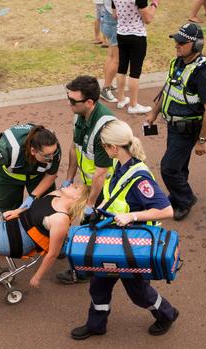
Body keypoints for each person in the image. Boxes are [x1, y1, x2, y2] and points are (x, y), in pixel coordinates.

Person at [70, 119, 179, 340]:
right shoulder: (120, 166)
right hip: (114, 241)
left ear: (114, 147)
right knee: (99, 284)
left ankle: (167, 313)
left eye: (104, 145)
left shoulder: (140, 178)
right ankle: (96, 324)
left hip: (132, 246)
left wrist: (132, 216)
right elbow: (117, 197)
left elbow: (166, 210)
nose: (103, 149)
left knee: (138, 293)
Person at [146, 23, 206, 221]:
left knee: (168, 167)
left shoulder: (203, 73)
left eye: (181, 42)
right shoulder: (177, 62)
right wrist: (154, 112)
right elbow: (168, 89)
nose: (176, 45)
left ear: (196, 45)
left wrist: (203, 140)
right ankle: (177, 196)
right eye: (176, 41)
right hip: (173, 124)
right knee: (179, 165)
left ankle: (185, 199)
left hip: (188, 128)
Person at [56, 75, 117, 285]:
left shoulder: (104, 128)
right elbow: (74, 148)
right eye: (68, 98)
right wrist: (69, 178)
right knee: (85, 224)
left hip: (106, 187)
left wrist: (90, 203)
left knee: (89, 228)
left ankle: (83, 271)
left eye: (73, 101)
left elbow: (101, 172)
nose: (69, 103)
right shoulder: (79, 115)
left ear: (90, 102)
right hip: (90, 182)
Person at [111, 0, 156, 114]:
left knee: (122, 68)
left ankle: (121, 99)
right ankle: (133, 105)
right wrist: (154, 4)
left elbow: (115, 15)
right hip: (137, 36)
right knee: (135, 72)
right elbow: (148, 19)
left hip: (121, 34)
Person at [99, 0, 119, 103]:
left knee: (111, 56)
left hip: (107, 19)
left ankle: (108, 84)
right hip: (114, 22)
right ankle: (106, 88)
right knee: (117, 59)